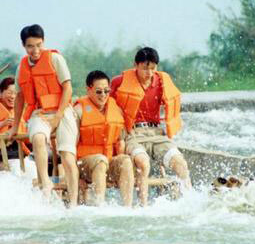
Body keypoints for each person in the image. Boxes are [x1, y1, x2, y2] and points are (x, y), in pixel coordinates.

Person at [8, 24, 79, 206]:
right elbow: (20, 98)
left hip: (62, 110)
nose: (35, 50)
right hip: (40, 112)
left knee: (66, 154)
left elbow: (67, 88)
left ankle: (73, 201)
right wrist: (15, 126)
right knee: (38, 138)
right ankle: (45, 184)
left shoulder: (55, 59)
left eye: (39, 45)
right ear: (24, 46)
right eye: (30, 46)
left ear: (44, 42)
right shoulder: (21, 67)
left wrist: (58, 116)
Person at [111, 47, 192, 189]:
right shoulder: (119, 82)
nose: (149, 73)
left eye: (153, 68)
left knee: (181, 163)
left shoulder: (162, 82)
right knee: (143, 163)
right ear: (135, 65)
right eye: (145, 68)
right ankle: (143, 207)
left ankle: (190, 199)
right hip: (132, 134)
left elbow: (172, 102)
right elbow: (108, 107)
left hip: (156, 134)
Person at [74, 70, 136, 206]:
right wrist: (76, 177)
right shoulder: (78, 111)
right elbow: (70, 148)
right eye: (98, 91)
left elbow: (120, 142)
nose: (103, 95)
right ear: (88, 90)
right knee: (100, 161)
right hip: (84, 166)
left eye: (106, 91)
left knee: (125, 160)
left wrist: (118, 169)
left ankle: (128, 208)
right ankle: (99, 207)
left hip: (107, 162)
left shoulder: (116, 110)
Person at [0, 77, 28, 171]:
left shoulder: (24, 110)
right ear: (1, 92)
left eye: (15, 93)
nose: (12, 96)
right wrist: (3, 123)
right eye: (9, 92)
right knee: (0, 168)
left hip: (18, 149)